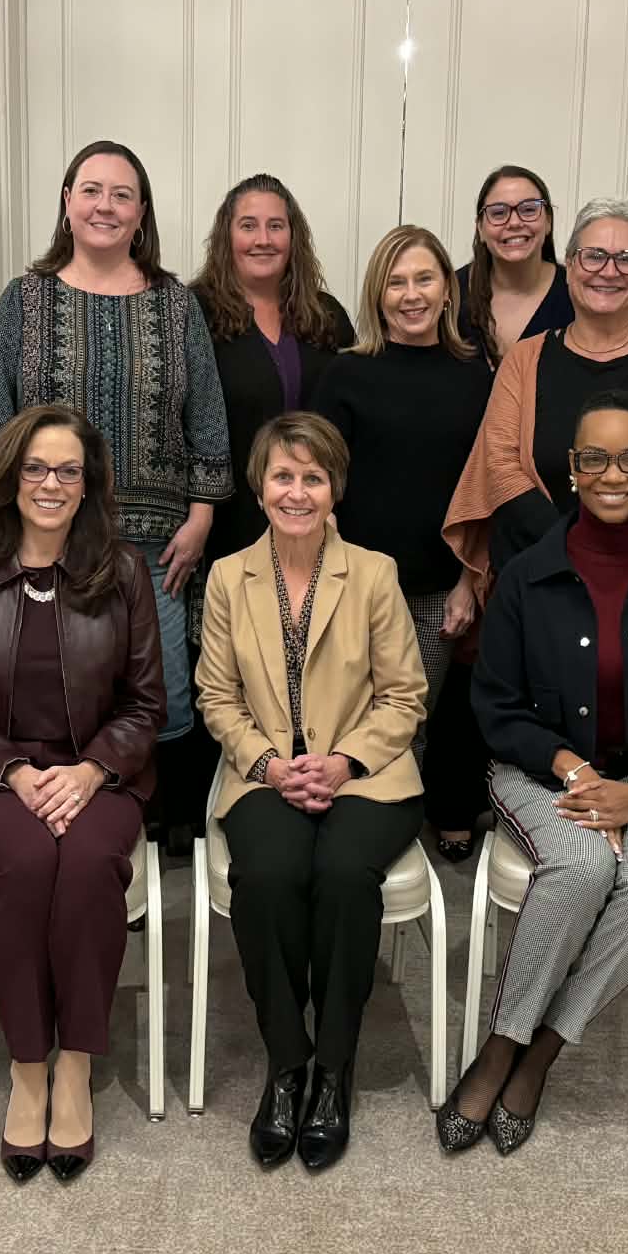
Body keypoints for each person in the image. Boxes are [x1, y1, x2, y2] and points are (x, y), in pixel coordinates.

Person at [442, 392, 628, 1157]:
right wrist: (574, 770)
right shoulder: (526, 577)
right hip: (545, 773)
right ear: (571, 471)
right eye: (596, 458)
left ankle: (539, 1051)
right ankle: (499, 1048)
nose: (615, 473)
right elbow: (497, 707)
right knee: (576, 870)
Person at [0, 405, 165, 1184]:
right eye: (35, 468)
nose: (50, 484)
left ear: (88, 484)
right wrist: (14, 772)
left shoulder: (122, 571)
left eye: (67, 470)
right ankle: (29, 1065)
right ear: (9, 476)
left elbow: (147, 705)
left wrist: (91, 770)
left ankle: (76, 1067)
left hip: (99, 774)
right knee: (25, 864)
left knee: (89, 866)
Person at [0, 139, 231, 839]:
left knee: (160, 700)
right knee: (60, 696)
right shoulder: (26, 300)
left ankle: (130, 834)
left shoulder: (176, 304)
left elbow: (206, 415)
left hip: (156, 544)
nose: (105, 205)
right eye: (91, 190)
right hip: (44, 542)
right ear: (67, 203)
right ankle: (66, 829)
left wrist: (202, 517)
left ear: (141, 214)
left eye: (122, 194)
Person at [196, 412, 427, 1173]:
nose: (296, 492)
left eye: (313, 478)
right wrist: (268, 764)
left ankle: (334, 1069)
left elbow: (404, 696)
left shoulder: (374, 572)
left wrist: (342, 763)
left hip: (368, 772)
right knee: (265, 876)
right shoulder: (230, 576)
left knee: (341, 877)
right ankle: (286, 1065)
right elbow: (215, 696)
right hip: (263, 770)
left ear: (336, 490)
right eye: (283, 476)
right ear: (261, 488)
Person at [443, 197, 628, 589]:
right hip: (540, 588)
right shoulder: (524, 360)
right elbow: (500, 469)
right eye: (594, 256)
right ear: (569, 265)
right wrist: (578, 561)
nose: (609, 271)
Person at [313, 226, 492, 861]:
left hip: (439, 587)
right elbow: (319, 480)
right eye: (396, 281)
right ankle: (337, 838)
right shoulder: (347, 372)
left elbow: (486, 489)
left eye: (425, 279)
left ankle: (384, 844)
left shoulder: (478, 376)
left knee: (410, 724)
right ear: (377, 293)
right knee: (339, 718)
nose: (411, 294)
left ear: (449, 289)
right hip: (353, 587)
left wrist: (471, 580)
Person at [191, 173, 355, 565]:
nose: (263, 239)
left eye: (275, 226)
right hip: (227, 530)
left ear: (292, 237)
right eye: (248, 226)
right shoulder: (194, 312)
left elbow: (351, 419)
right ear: (226, 238)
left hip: (317, 523)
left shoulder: (327, 315)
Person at [456, 164, 574, 362]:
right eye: (499, 213)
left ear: (548, 222)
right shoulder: (450, 293)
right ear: (480, 229)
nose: (514, 223)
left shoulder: (576, 294)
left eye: (528, 210)